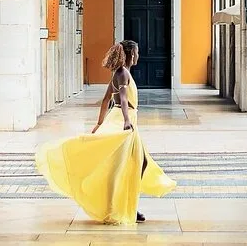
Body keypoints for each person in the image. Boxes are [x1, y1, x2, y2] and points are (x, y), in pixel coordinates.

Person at [35, 40, 176, 225]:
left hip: (122, 119)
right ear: (132, 54)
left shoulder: (119, 73)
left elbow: (105, 100)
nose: (139, 56)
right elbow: (123, 100)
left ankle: (128, 203)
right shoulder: (123, 73)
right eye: (137, 52)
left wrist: (100, 123)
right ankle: (115, 207)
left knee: (140, 162)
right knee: (121, 167)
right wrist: (125, 120)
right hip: (123, 121)